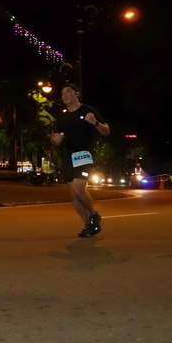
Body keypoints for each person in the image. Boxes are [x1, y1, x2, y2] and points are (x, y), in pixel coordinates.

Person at [49, 83, 110, 237]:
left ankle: (93, 215)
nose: (64, 96)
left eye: (68, 92)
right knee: (73, 194)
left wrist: (95, 122)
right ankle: (88, 224)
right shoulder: (62, 118)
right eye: (62, 94)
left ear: (76, 94)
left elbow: (106, 131)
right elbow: (56, 139)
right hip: (68, 157)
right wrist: (55, 140)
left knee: (78, 189)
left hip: (84, 155)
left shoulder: (88, 110)